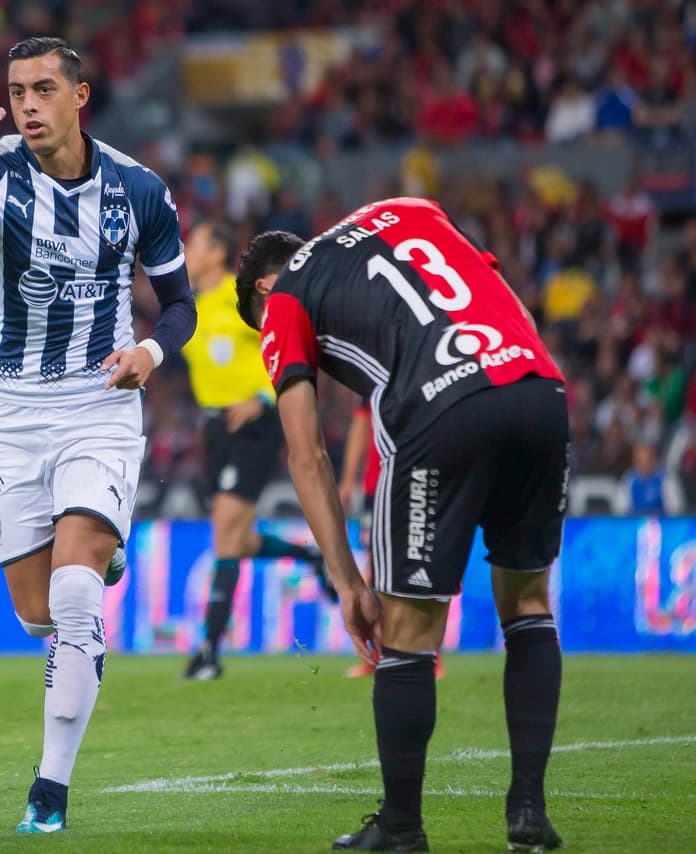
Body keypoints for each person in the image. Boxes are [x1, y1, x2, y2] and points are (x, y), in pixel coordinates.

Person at [0, 37, 195, 834]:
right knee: (37, 617)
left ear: (81, 97)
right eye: (15, 90)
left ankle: (50, 791)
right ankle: (98, 551)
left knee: (75, 596)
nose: (26, 104)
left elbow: (182, 305)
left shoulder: (137, 189)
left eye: (43, 89)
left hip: (98, 404)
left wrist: (148, 350)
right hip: (9, 415)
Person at [235, 198, 568, 852]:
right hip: (538, 386)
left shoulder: (285, 297)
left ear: (265, 290)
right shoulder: (411, 210)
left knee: (408, 632)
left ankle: (400, 827)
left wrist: (348, 581)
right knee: (528, 604)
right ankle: (528, 808)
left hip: (440, 408)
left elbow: (307, 453)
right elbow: (512, 307)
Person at [178, 220, 334, 681]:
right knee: (237, 538)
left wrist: (265, 398)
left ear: (216, 254)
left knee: (226, 530)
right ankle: (308, 555)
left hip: (255, 424)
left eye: (197, 242)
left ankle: (208, 651)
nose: (188, 250)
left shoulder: (237, 296)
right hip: (215, 428)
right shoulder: (186, 306)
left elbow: (292, 337)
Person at [338, 399, 444, 681]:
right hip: (376, 486)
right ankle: (378, 656)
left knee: (419, 564)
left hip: (415, 479)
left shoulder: (422, 375)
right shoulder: (371, 381)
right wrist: (349, 481)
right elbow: (361, 426)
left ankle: (430, 654)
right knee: (376, 571)